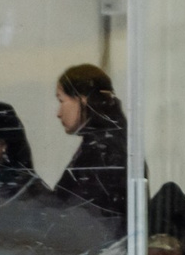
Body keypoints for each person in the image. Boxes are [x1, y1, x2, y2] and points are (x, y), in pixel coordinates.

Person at [50, 64, 129, 230]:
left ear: (82, 99)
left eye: (61, 100)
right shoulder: (111, 141)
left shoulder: (102, 150)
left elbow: (80, 219)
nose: (58, 112)